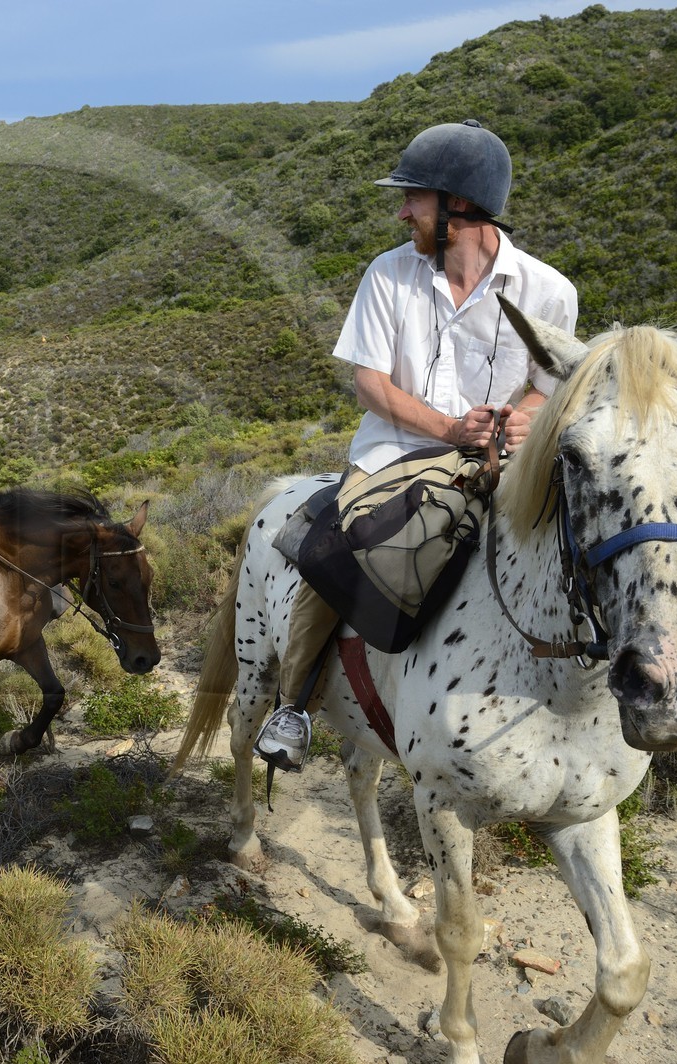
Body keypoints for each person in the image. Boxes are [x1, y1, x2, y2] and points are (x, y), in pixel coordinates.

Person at [254, 120, 578, 772]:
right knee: (332, 546)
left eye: (414, 198)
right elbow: (370, 383)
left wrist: (526, 420)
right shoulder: (388, 274)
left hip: (500, 463)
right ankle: (292, 705)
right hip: (395, 452)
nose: (403, 211)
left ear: (459, 206)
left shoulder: (550, 292)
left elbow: (550, 388)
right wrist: (450, 430)